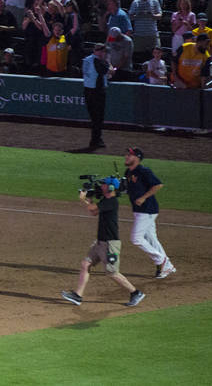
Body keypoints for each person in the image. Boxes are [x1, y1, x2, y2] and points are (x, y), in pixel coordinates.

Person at [61, 176, 146, 308]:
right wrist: (88, 200)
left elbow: (91, 209)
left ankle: (135, 292)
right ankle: (77, 296)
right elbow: (94, 212)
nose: (101, 186)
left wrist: (83, 199)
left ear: (111, 188)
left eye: (104, 185)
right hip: (100, 243)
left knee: (112, 273)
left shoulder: (112, 202)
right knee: (85, 264)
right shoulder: (105, 200)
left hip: (110, 245)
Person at [124, 147, 176, 279]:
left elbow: (158, 185)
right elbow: (129, 189)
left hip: (147, 210)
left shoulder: (143, 171)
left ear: (137, 158)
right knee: (152, 239)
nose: (126, 156)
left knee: (136, 238)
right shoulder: (128, 172)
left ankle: (161, 260)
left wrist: (143, 197)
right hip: (139, 211)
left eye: (129, 155)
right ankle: (168, 266)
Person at [82, 44, 112, 149]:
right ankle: (95, 140)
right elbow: (103, 71)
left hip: (89, 89)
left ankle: (97, 138)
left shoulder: (87, 59)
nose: (104, 54)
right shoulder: (97, 60)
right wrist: (107, 63)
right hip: (96, 91)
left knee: (95, 118)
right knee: (97, 118)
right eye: (103, 52)